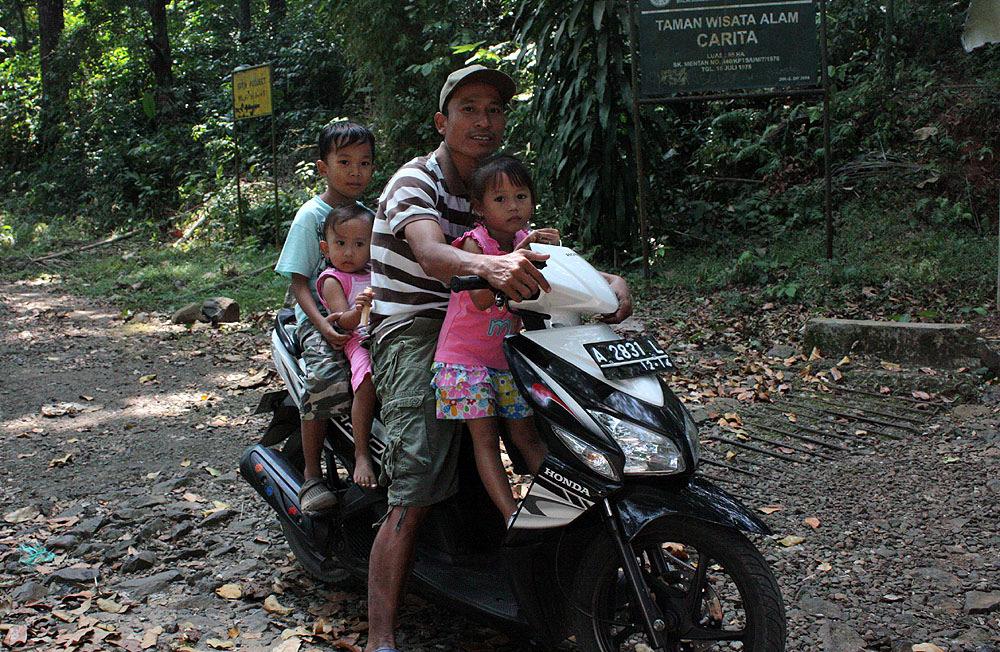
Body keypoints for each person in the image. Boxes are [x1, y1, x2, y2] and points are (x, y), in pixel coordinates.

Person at [364, 64, 632, 652]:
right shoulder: (417, 180)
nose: (483, 121)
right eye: (469, 108)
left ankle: (578, 568)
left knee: (566, 428)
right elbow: (433, 254)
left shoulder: (496, 188)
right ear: (442, 120)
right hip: (415, 328)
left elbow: (543, 254)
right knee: (417, 477)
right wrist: (488, 266)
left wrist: (607, 281)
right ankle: (381, 636)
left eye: (494, 109)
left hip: (493, 327)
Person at [431, 154, 555, 522]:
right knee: (485, 440)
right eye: (500, 199)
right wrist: (518, 256)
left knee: (528, 437)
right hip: (463, 361)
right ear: (479, 208)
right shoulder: (474, 243)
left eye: (520, 196)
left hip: (505, 358)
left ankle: (562, 504)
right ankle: (510, 514)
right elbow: (483, 298)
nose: (513, 206)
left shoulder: (525, 241)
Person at [274, 120, 375, 513]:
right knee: (324, 380)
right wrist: (323, 325)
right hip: (320, 319)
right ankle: (312, 475)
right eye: (345, 161)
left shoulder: (370, 215)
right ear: (323, 167)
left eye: (364, 163)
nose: (355, 171)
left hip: (365, 318)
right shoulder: (309, 216)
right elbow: (299, 283)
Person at [315, 204, 377, 488]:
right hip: (358, 340)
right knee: (365, 382)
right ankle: (362, 453)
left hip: (386, 333)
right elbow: (345, 321)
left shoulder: (378, 270)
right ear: (326, 248)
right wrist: (360, 307)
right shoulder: (332, 280)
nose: (349, 252)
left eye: (359, 244)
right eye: (341, 244)